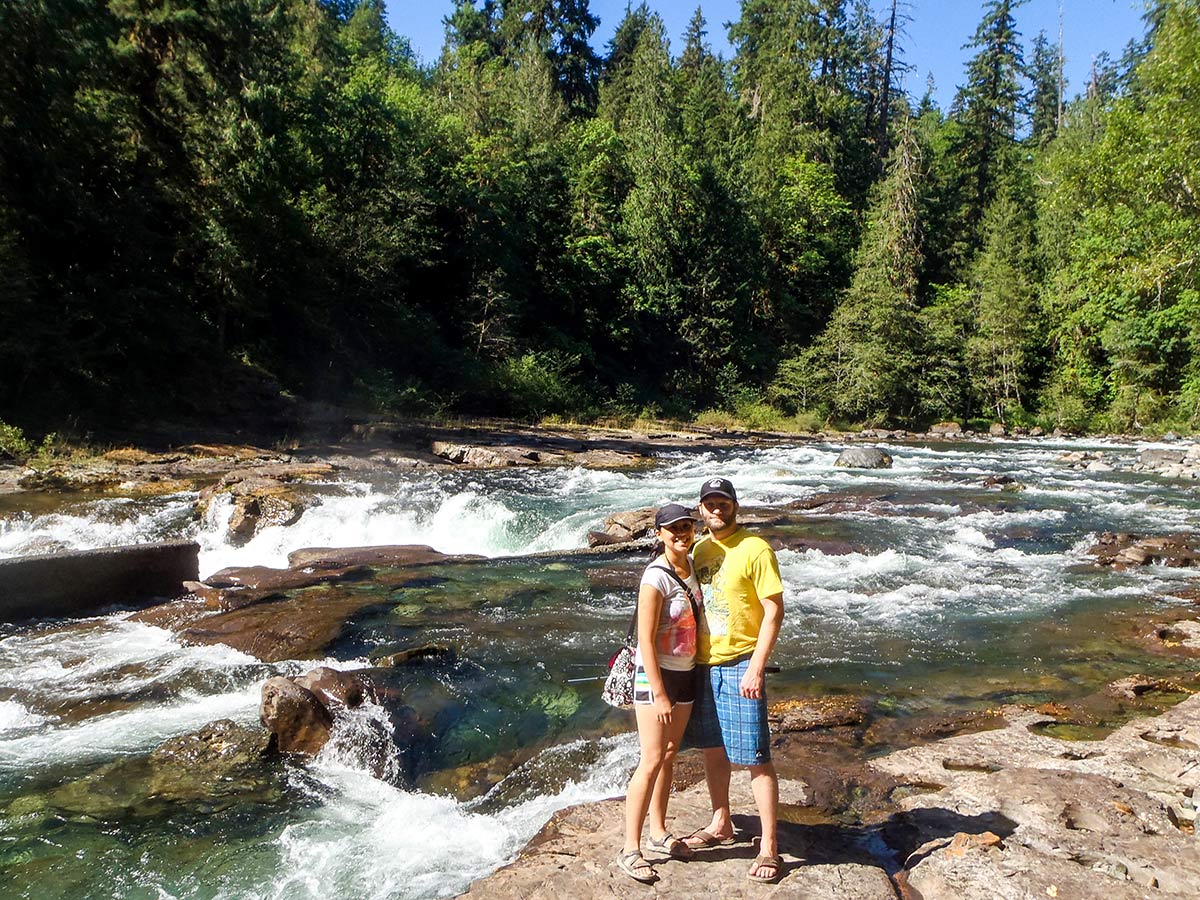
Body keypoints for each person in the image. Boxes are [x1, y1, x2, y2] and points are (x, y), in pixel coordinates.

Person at [683, 477, 785, 884]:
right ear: (701, 509)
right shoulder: (697, 548)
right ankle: (721, 821)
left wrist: (756, 666)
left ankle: (769, 847)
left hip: (740, 663)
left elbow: (774, 611)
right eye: (710, 504)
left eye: (723, 502)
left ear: (735, 506)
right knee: (712, 748)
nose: (717, 510)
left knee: (756, 758)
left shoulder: (755, 549)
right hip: (702, 664)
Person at [617, 503, 705, 884]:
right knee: (651, 758)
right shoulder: (655, 578)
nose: (681, 533)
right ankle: (630, 849)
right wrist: (659, 692)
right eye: (673, 529)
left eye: (686, 526)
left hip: (685, 674)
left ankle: (658, 832)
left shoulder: (692, 568)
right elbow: (645, 641)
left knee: (669, 755)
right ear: (659, 534)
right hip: (656, 679)